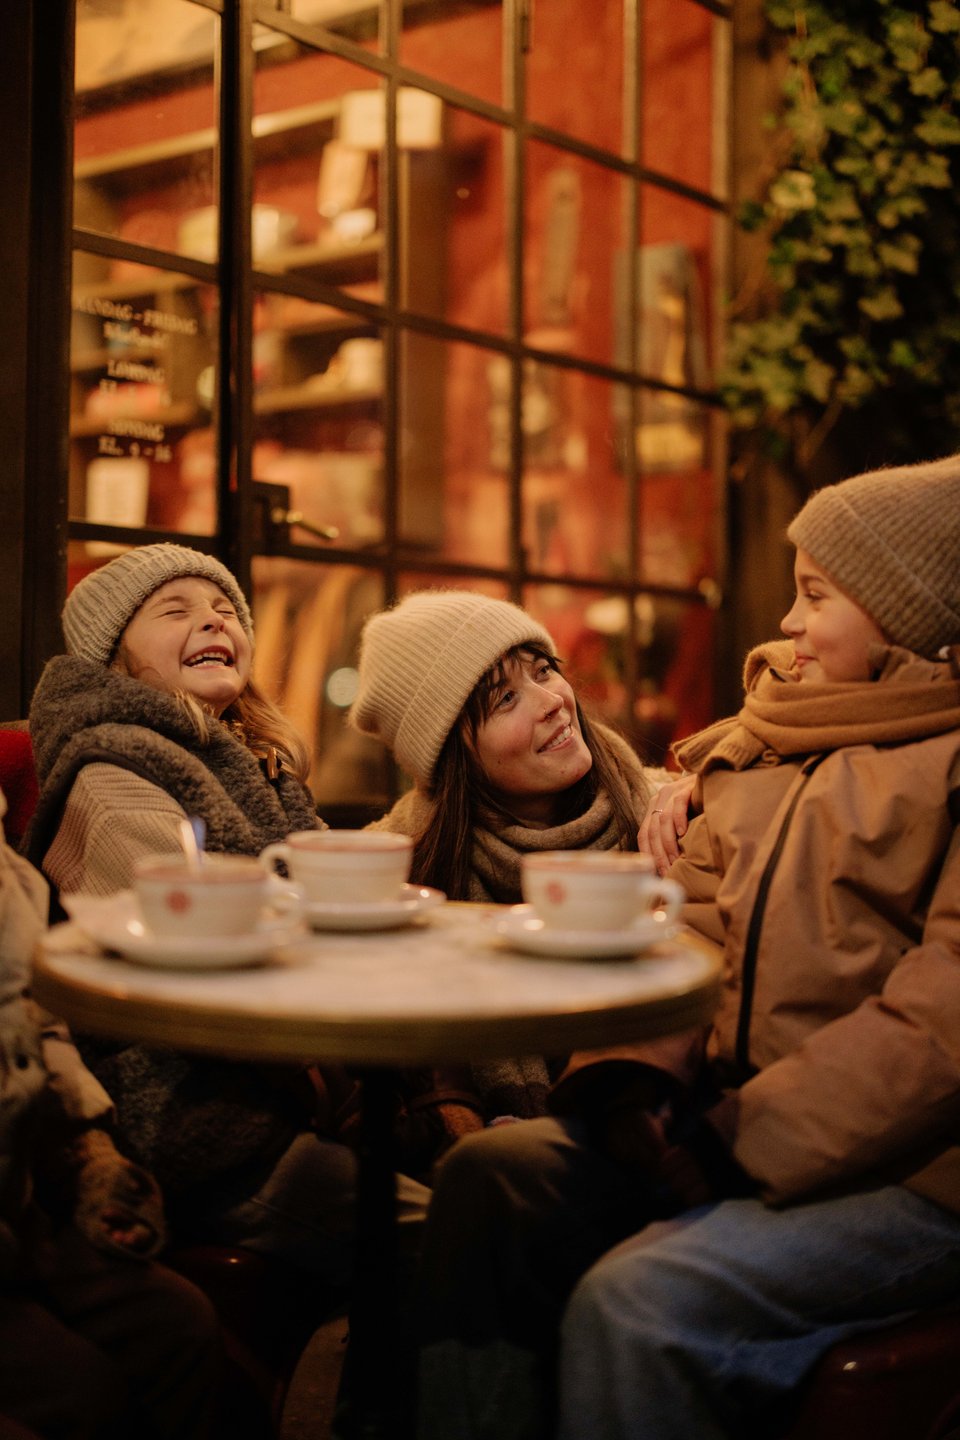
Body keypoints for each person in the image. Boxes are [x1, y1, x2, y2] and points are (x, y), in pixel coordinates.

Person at [411, 454, 960, 1440]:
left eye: (816, 596)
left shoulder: (940, 764)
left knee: (637, 1303)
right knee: (488, 1178)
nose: (787, 622)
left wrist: (734, 1140)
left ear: (903, 609)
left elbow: (938, 1026)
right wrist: (630, 1091)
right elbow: (686, 936)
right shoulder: (767, 740)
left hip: (913, 1175)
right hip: (724, 1120)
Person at [24, 543, 429, 1280]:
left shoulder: (248, 758)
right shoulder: (111, 779)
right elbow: (198, 963)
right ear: (114, 658)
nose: (214, 622)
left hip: (284, 1091)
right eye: (174, 611)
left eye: (225, 611)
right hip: (202, 1125)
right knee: (450, 1237)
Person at [347, 588, 671, 1174]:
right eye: (504, 699)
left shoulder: (665, 816)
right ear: (451, 756)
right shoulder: (399, 874)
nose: (552, 702)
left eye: (544, 670)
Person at [0, 785, 220, 1439]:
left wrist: (90, 1154)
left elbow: (32, 1018)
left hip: (21, 1212)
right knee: (80, 1396)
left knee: (178, 1326)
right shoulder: (112, 794)